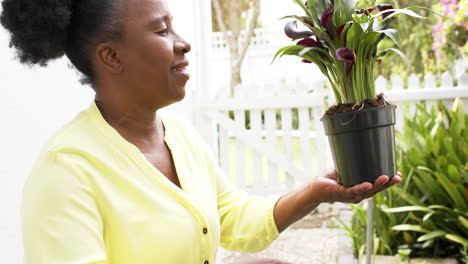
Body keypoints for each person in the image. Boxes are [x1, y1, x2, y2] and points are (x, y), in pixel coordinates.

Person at [0, 0, 402, 263]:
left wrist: (316, 192)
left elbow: (232, 217)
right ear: (111, 55)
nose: (184, 43)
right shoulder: (66, 173)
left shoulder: (178, 135)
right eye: (162, 31)